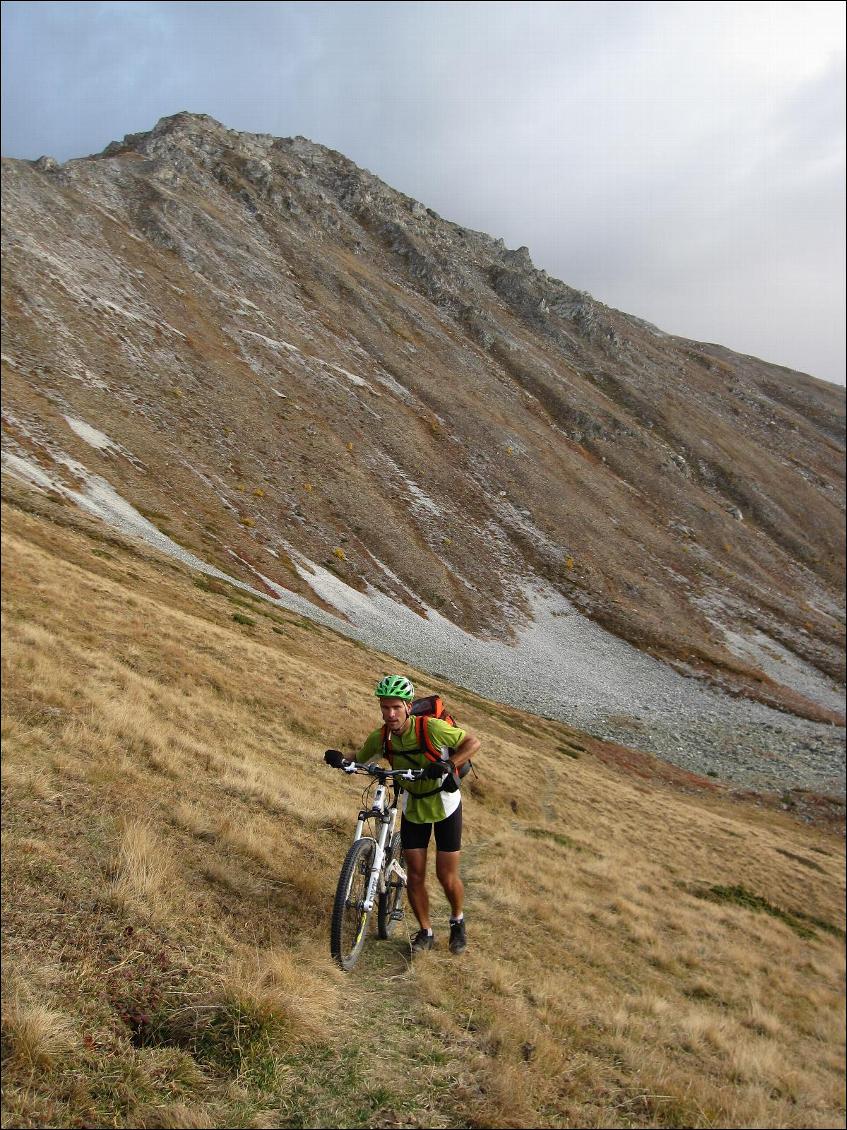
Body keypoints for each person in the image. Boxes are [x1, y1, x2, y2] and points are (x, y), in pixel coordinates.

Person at [324, 674, 480, 955]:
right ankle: (425, 931)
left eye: (396, 707)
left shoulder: (429, 728)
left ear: (408, 706)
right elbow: (361, 757)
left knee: (446, 875)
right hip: (413, 805)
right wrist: (341, 759)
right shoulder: (382, 737)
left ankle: (457, 921)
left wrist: (448, 765)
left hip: (445, 804)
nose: (390, 714)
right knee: (416, 874)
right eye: (385, 707)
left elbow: (472, 743)